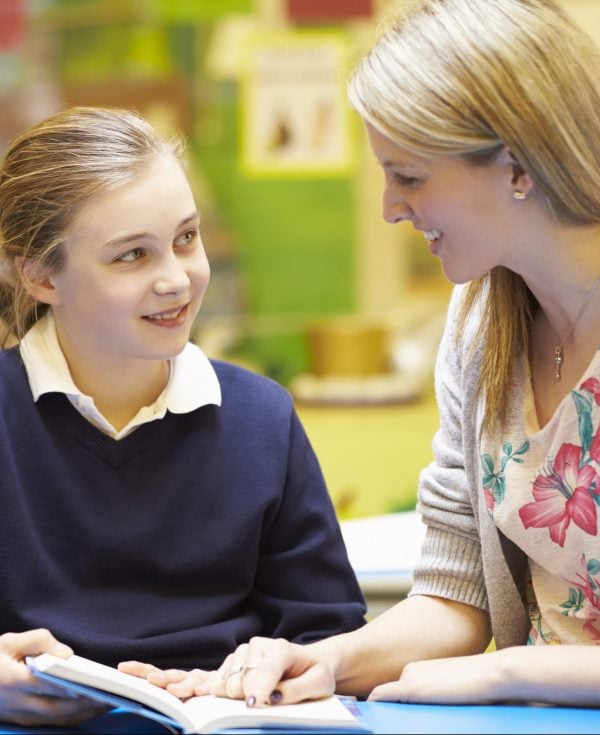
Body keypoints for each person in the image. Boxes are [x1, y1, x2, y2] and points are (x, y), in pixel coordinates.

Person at [126, 0, 600, 709]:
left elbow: (491, 658)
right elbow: (454, 593)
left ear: (517, 165)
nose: (389, 207)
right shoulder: (480, 327)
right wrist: (322, 659)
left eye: (409, 176)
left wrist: (510, 669)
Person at [0, 105, 366, 727]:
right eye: (131, 256)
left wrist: (277, 671)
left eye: (186, 239)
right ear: (40, 276)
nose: (177, 279)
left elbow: (326, 634)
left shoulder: (261, 417)